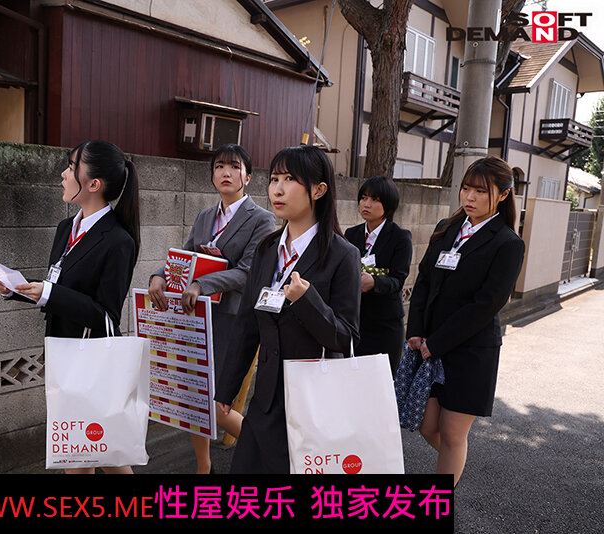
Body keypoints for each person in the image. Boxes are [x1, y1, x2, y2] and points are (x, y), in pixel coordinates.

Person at [0, 140, 140, 475]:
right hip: (63, 353)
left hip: (93, 362)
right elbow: (58, 286)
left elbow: (106, 317)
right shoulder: (66, 228)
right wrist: (16, 289)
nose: (63, 174)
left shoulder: (119, 241)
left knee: (84, 457)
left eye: (72, 167)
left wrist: (48, 292)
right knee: (102, 455)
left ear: (94, 184)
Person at [214, 145, 361, 474]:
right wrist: (228, 386)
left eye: (290, 180)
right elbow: (247, 325)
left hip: (313, 403)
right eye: (274, 179)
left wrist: (306, 300)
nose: (277, 190)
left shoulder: (342, 255)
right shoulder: (267, 248)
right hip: (266, 399)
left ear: (318, 190)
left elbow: (345, 337)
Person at [147, 144, 276, 474]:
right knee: (194, 397)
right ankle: (204, 469)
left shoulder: (262, 219)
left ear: (248, 176)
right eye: (219, 167)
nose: (226, 173)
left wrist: (203, 282)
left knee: (215, 401)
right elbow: (184, 256)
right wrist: (159, 275)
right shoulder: (206, 216)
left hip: (233, 320)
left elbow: (249, 272)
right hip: (197, 317)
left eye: (234, 166)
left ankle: (271, 457)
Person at [407, 156, 525, 486]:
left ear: (503, 194)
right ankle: (454, 464)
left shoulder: (508, 243)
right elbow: (424, 281)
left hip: (471, 352)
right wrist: (416, 330)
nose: (470, 197)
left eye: (481, 191)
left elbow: (486, 305)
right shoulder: (447, 229)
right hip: (431, 346)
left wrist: (437, 342)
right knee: (426, 425)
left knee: (452, 434)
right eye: (466, 188)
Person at [344, 176, 412, 373]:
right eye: (364, 198)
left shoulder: (400, 237)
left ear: (388, 205)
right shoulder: (351, 234)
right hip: (355, 321)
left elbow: (398, 280)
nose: (366, 204)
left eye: (374, 200)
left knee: (380, 382)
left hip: (385, 325)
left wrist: (374, 282)